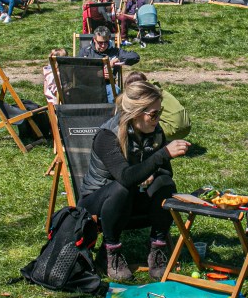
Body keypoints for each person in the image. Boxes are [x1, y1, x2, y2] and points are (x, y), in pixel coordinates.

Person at [77, 81, 190, 280]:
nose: (158, 119)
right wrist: (162, 155)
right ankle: (110, 252)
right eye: (153, 114)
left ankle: (157, 248)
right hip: (98, 201)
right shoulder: (107, 136)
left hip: (132, 197)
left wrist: (155, 173)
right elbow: (126, 177)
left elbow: (166, 173)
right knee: (122, 188)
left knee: (165, 184)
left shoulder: (154, 131)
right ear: (136, 113)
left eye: (159, 112)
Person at [124, 71, 191, 140]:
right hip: (187, 126)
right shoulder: (157, 89)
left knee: (139, 121)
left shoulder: (148, 95)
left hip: (174, 129)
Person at [81, 26, 139, 102]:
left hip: (107, 85)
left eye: (106, 42)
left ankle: (110, 113)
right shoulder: (86, 52)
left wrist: (118, 59)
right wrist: (99, 73)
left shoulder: (115, 52)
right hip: (88, 84)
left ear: (109, 38)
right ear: (94, 39)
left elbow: (135, 57)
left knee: (114, 91)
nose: (103, 45)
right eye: (100, 42)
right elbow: (77, 71)